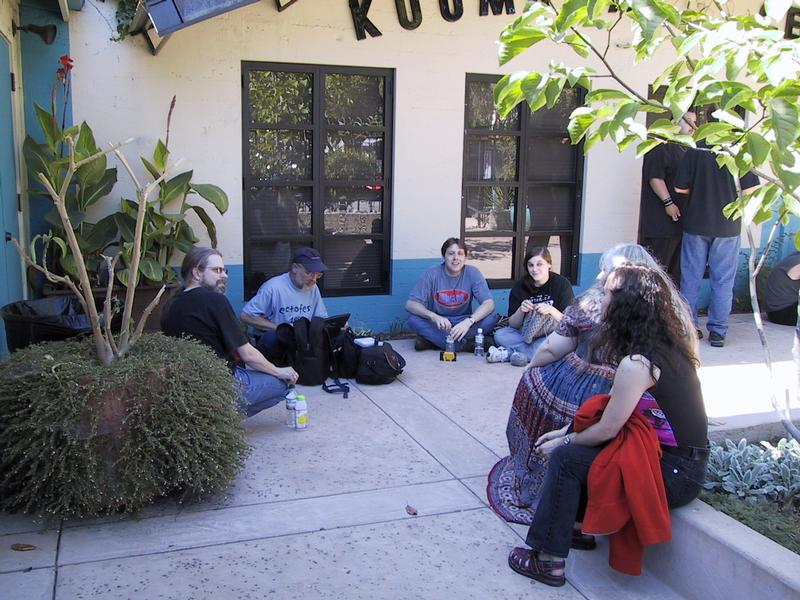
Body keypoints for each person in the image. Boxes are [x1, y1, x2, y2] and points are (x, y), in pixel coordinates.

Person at [507, 264, 707, 587]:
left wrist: (562, 443)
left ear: (629, 304)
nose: (603, 297)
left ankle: (547, 560)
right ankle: (577, 530)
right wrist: (564, 431)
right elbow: (607, 412)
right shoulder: (661, 343)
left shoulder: (638, 362)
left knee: (567, 459)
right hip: (676, 461)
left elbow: (607, 429)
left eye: (611, 292)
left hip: (677, 474)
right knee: (579, 444)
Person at [486, 243, 662, 525]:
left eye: (606, 274)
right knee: (506, 335)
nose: (602, 280)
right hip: (630, 394)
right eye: (531, 265)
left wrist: (531, 368)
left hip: (600, 392)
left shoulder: (585, 298)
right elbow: (513, 323)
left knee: (534, 378)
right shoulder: (663, 312)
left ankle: (536, 469)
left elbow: (553, 348)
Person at [162, 247, 299, 418]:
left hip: (184, 387)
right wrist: (280, 371)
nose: (225, 276)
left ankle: (214, 419)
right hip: (219, 385)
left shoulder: (171, 304)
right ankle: (221, 419)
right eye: (217, 270)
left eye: (224, 270)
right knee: (282, 384)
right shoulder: (215, 300)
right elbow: (247, 354)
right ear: (197, 273)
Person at [674, 106, 759, 347]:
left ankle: (689, 330)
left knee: (690, 278)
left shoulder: (696, 148)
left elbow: (680, 188)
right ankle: (719, 332)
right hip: (728, 226)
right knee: (723, 280)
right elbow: (752, 189)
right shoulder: (739, 150)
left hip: (696, 222)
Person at [405, 237, 497, 351]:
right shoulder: (432, 273)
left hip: (463, 322)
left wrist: (469, 322)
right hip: (440, 324)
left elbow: (489, 303)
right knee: (413, 320)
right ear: (443, 257)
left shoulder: (472, 273)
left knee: (491, 320)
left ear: (465, 258)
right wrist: (434, 317)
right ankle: (464, 344)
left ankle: (434, 341)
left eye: (460, 254)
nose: (456, 258)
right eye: (451, 254)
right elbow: (410, 304)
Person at [490, 247, 574, 366]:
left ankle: (508, 353)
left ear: (549, 265)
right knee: (500, 335)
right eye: (530, 265)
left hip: (550, 333)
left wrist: (551, 310)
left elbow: (569, 321)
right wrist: (521, 310)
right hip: (525, 335)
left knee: (554, 342)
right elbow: (513, 324)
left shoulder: (562, 284)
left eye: (539, 264)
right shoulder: (520, 286)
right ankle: (532, 353)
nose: (534, 269)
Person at [240, 247, 329, 360]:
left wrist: (333, 326)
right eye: (309, 273)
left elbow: (320, 317)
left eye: (318, 274)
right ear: (295, 268)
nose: (314, 279)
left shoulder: (312, 287)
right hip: (278, 339)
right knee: (271, 338)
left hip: (301, 338)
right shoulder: (273, 288)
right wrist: (279, 328)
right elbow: (245, 316)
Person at [638, 112, 695, 284]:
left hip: (682, 223)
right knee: (657, 271)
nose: (694, 127)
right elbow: (655, 177)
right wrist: (668, 202)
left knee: (674, 275)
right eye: (690, 122)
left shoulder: (687, 148)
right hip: (661, 225)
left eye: (695, 122)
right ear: (676, 121)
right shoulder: (660, 144)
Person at [763, 251, 800, 326]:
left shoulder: (795, 256)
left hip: (777, 311)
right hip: (782, 312)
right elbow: (794, 274)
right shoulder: (797, 261)